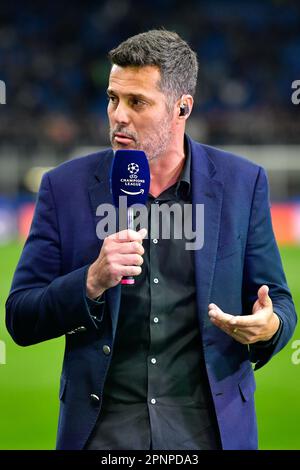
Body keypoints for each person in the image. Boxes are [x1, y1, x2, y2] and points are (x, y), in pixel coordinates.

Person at [6, 29, 297, 451]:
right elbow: (20, 317)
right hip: (101, 435)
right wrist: (90, 281)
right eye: (112, 98)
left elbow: (281, 305)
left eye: (137, 102)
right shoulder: (63, 188)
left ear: (182, 107)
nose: (119, 115)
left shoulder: (242, 183)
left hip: (210, 433)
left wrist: (269, 326)